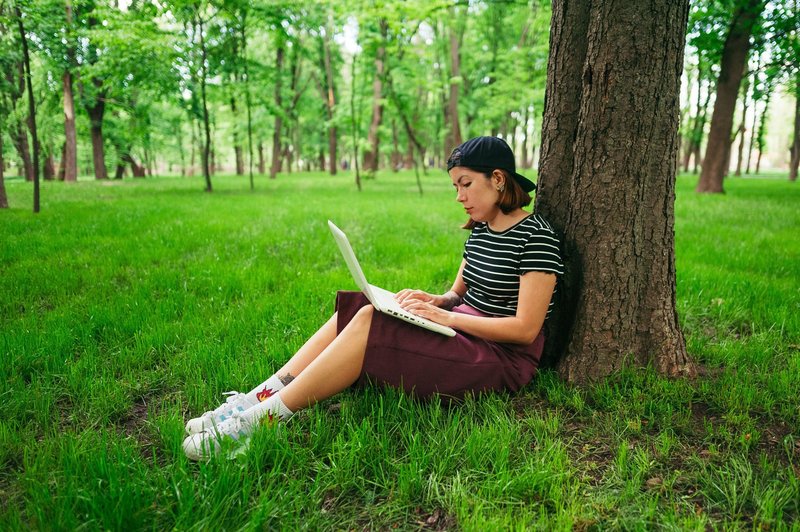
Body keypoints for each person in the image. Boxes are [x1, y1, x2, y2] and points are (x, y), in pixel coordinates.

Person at [182, 136, 564, 460]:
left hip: (500, 357)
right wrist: (436, 301)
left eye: (465, 184)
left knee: (369, 322)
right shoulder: (481, 229)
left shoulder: (537, 237)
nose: (459, 196)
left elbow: (525, 330)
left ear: (497, 179)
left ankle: (257, 423)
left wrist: (448, 318)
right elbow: (456, 294)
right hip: (464, 331)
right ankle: (257, 398)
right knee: (359, 308)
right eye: (455, 187)